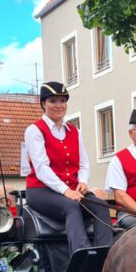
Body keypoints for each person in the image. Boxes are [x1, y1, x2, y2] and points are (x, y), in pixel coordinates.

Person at [23, 81, 113, 252]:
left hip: (72, 190)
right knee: (71, 206)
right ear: (44, 104)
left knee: (101, 206)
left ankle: (105, 254)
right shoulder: (34, 130)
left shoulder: (74, 131)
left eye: (62, 101)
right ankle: (82, 255)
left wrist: (83, 182)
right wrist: (66, 191)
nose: (59, 105)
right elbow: (41, 168)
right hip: (41, 191)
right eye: (53, 101)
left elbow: (83, 163)